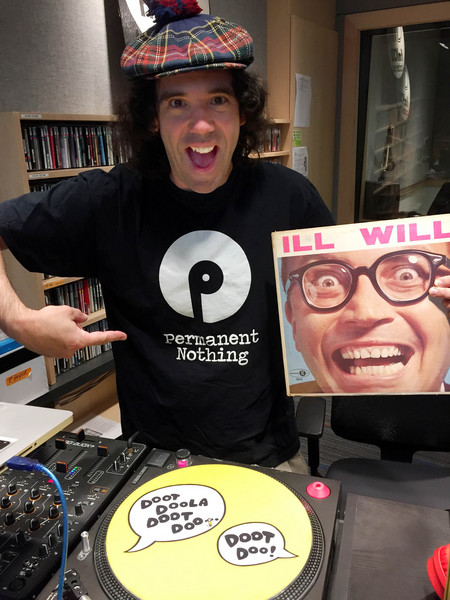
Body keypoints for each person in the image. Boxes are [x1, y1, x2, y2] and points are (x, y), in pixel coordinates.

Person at [0, 0, 333, 473]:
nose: (200, 124)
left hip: (267, 457)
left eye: (218, 99)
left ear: (243, 113)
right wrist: (21, 323)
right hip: (150, 460)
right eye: (178, 103)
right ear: (153, 120)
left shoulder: (290, 197)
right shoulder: (110, 199)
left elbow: (350, 287)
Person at [282, 242, 450, 394]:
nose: (366, 314)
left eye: (407, 275)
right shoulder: (287, 410)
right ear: (293, 322)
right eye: (327, 282)